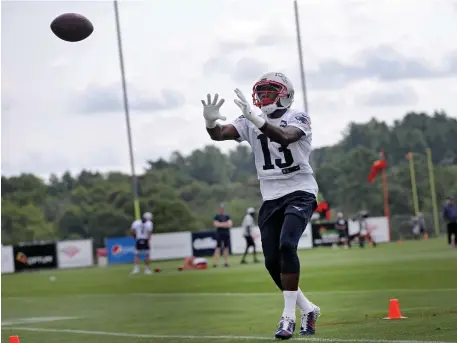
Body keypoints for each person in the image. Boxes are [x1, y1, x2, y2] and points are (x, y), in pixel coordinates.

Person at [201, 72, 320, 339]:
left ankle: (288, 317)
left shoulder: (298, 117)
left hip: (299, 189)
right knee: (271, 262)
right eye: (261, 92)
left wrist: (257, 120)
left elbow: (285, 137)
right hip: (271, 195)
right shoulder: (247, 119)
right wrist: (209, 123)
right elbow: (220, 134)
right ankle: (309, 308)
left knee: (288, 245)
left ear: (285, 94)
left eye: (270, 92)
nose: (264, 97)